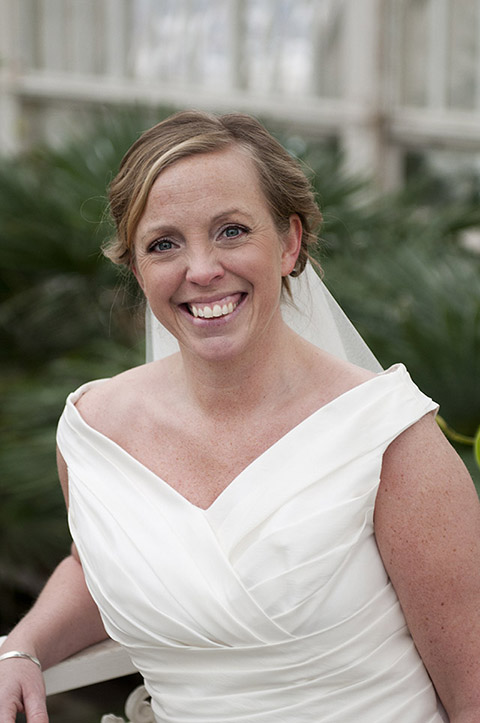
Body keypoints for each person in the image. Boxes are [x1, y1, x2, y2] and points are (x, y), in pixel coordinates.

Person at [1, 110, 479, 723]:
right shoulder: (94, 431)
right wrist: (23, 647)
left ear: (289, 243)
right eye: (164, 244)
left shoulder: (390, 440)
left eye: (231, 231)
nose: (201, 270)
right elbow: (96, 566)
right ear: (137, 267)